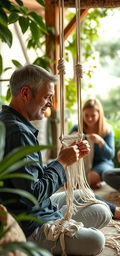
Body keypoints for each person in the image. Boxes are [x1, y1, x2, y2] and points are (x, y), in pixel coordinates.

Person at [0, 64, 112, 256]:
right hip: (29, 222)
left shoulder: (10, 121)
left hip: (37, 207)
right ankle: (40, 238)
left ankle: (61, 221)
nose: (50, 103)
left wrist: (62, 160)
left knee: (95, 204)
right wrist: (62, 163)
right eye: (47, 96)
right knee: (96, 240)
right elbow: (31, 196)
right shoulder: (18, 132)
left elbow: (28, 178)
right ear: (25, 93)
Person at [70, 98, 115, 190]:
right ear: (82, 114)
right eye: (86, 115)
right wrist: (71, 139)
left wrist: (101, 142)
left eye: (93, 116)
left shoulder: (107, 130)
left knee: (90, 177)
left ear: (99, 115)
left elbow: (110, 155)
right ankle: (87, 184)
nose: (89, 119)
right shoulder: (77, 128)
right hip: (81, 162)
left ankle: (85, 184)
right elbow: (66, 149)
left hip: (101, 163)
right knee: (67, 176)